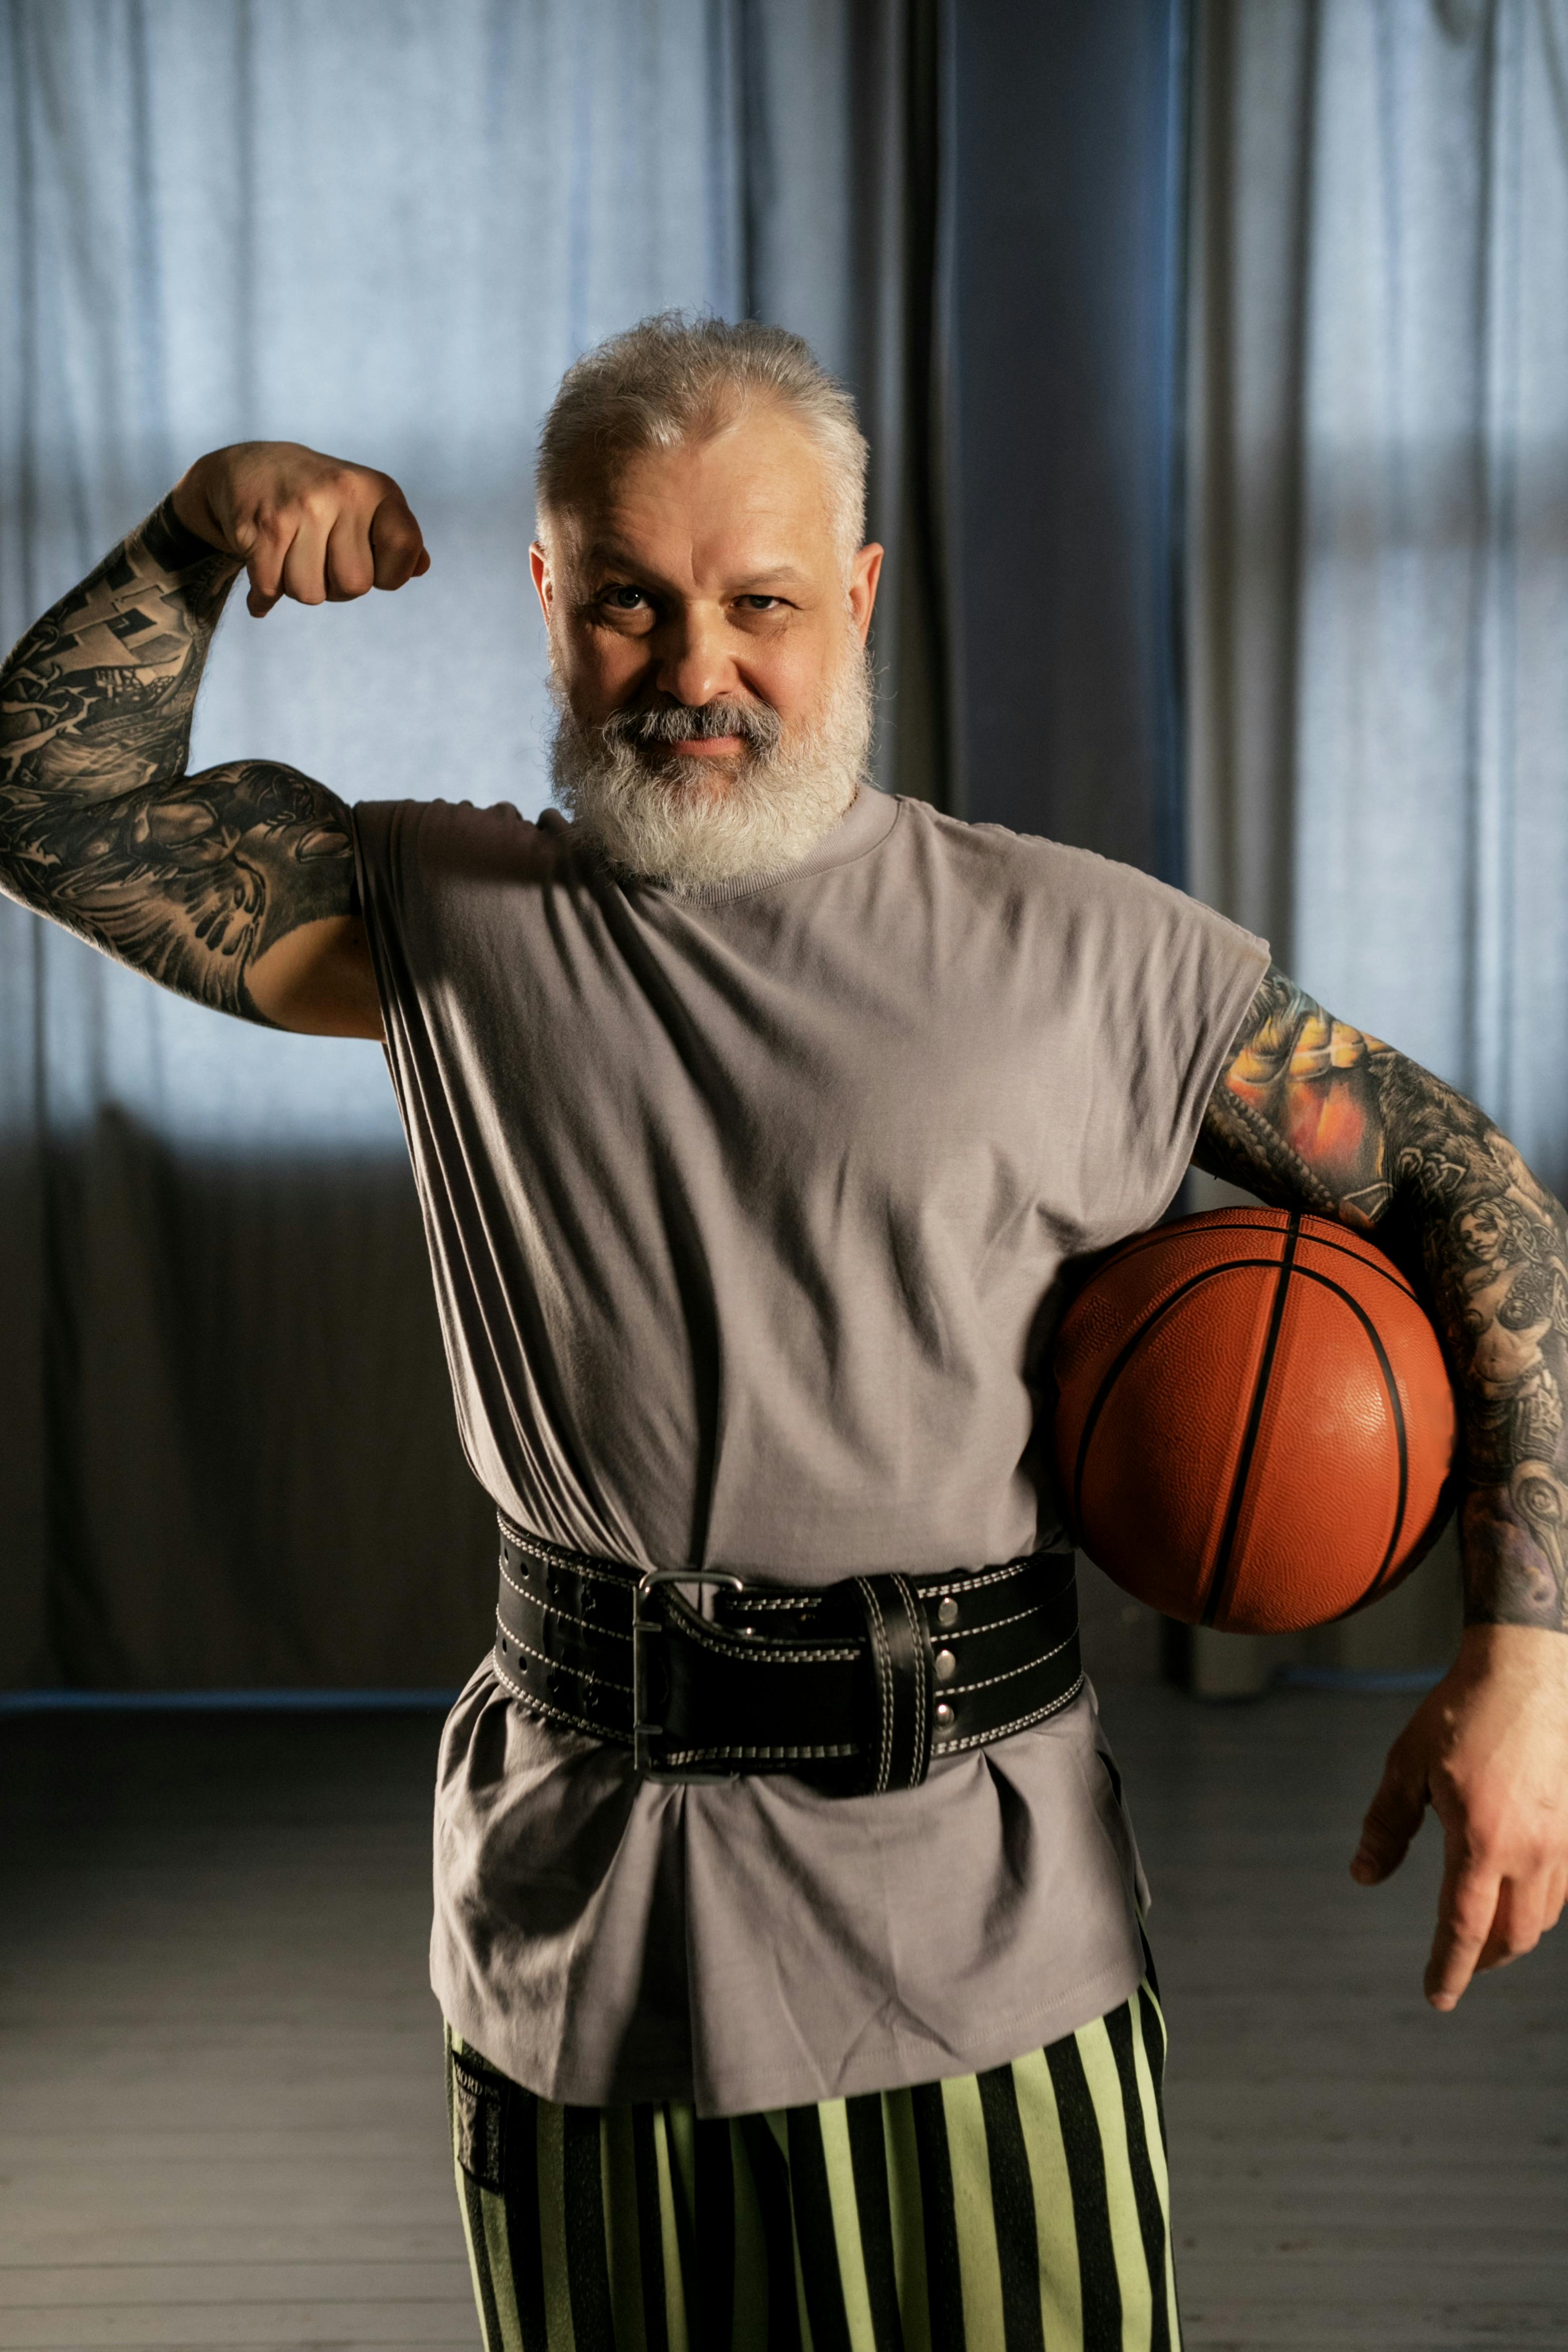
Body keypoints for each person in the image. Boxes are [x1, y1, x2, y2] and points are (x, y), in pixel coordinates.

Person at [2, 314, 1565, 2352]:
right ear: (550, 600)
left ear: (859, 599)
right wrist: (208, 521)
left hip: (986, 1962)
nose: (698, 671)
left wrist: (1526, 1652)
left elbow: (1474, 1188)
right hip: (582, 1956)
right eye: (633, 606)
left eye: (760, 604)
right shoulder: (443, 918)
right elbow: (49, 803)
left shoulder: (1091, 955)